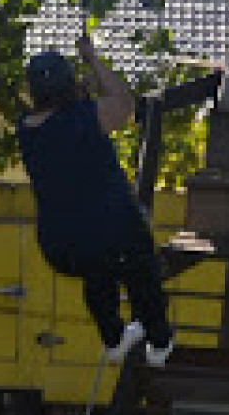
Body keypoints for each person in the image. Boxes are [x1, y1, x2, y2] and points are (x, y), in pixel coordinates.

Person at [18, 34, 175, 367]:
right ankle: (159, 341)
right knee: (140, 270)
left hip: (60, 244)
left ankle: (113, 337)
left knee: (98, 271)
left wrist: (78, 95)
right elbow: (123, 103)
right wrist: (92, 59)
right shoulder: (85, 117)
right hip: (113, 230)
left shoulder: (27, 130)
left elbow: (60, 123)